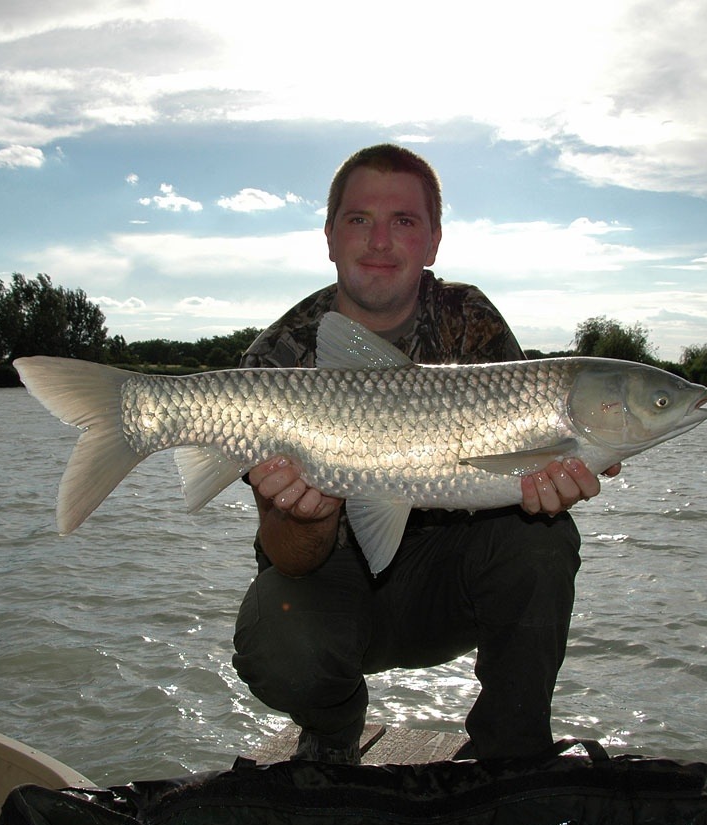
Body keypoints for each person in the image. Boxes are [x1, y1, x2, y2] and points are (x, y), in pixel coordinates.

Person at [231, 143, 616, 764]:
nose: (379, 241)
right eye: (359, 219)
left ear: (434, 241)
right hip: (333, 581)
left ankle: (509, 756)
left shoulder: (469, 319)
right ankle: (331, 729)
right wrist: (310, 515)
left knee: (543, 539)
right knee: (277, 640)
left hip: (446, 581)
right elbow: (285, 554)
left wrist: (547, 488)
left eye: (403, 221)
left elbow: (525, 474)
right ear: (329, 236)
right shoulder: (277, 357)